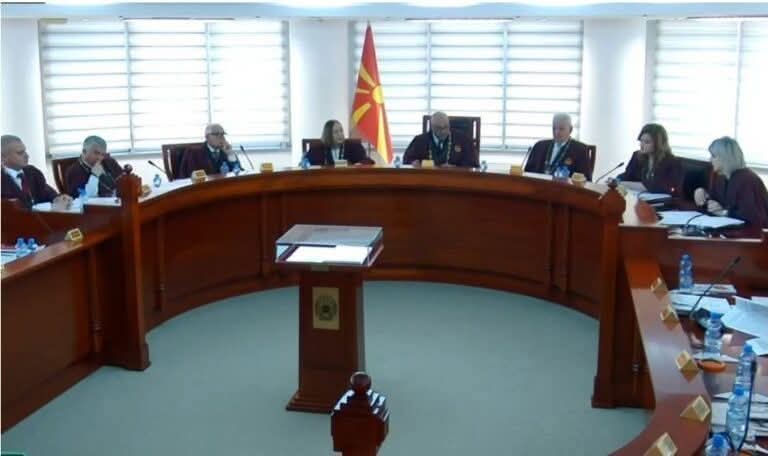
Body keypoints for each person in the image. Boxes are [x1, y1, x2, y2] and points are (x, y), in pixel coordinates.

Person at [694, 137, 768, 229]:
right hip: (725, 232)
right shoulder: (722, 177)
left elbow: (757, 218)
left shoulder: (749, 180)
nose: (710, 160)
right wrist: (703, 193)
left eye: (713, 156)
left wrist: (725, 213)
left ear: (725, 158)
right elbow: (716, 201)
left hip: (749, 236)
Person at [1, 134, 72, 208]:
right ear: (3, 157)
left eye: (25, 151)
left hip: (43, 214)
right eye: (20, 153)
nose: (27, 156)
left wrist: (60, 199)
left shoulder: (32, 172)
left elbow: (49, 193)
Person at [616, 123, 683, 194]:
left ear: (659, 144)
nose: (642, 145)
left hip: (660, 198)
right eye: (641, 141)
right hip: (638, 195)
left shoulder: (671, 162)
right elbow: (628, 175)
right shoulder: (637, 156)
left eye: (647, 142)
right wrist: (617, 180)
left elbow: (657, 186)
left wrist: (624, 184)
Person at [524, 113, 592, 180]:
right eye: (554, 128)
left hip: (564, 186)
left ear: (570, 130)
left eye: (561, 129)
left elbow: (586, 180)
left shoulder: (580, 150)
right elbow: (526, 172)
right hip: (537, 185)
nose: (556, 132)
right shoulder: (539, 146)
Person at [403, 112, 477, 167]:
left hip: (455, 180)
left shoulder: (463, 140)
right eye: (439, 128)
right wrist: (413, 163)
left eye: (446, 127)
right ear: (432, 127)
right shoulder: (420, 141)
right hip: (426, 179)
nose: (443, 131)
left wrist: (455, 168)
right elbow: (407, 160)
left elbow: (473, 164)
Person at [305, 120, 374, 166]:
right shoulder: (317, 149)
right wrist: (305, 163)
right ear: (328, 135)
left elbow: (368, 161)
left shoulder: (354, 146)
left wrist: (358, 165)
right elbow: (305, 164)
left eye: (341, 131)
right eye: (336, 132)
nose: (340, 134)